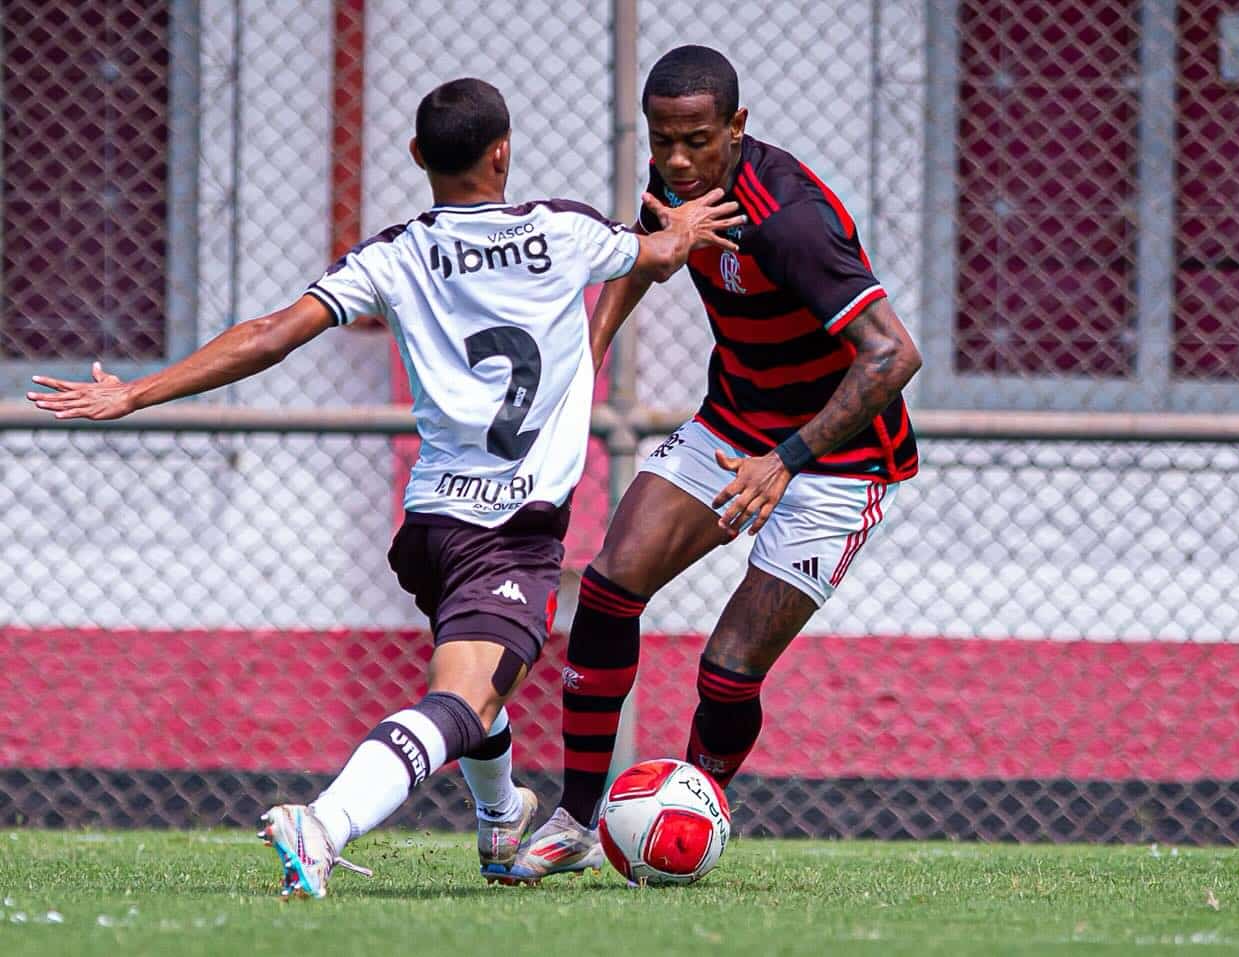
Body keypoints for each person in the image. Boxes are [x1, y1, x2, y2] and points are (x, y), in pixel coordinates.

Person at [25, 77, 741, 899]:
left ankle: (503, 820)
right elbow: (654, 254)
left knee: (482, 679)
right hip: (508, 528)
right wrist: (683, 223)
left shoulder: (393, 255)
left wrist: (135, 391)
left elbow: (268, 336)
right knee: (465, 695)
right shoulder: (562, 230)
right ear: (503, 151)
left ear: (415, 157)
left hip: (432, 525)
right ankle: (323, 822)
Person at [497, 46, 921, 883]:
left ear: (737, 125)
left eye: (696, 139)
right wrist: (585, 359)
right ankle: (578, 818)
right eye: (663, 140)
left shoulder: (790, 219)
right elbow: (645, 256)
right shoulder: (677, 187)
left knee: (726, 668)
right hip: (730, 424)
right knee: (611, 583)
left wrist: (787, 459)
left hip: (837, 459)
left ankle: (688, 820)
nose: (679, 160)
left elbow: (891, 356)